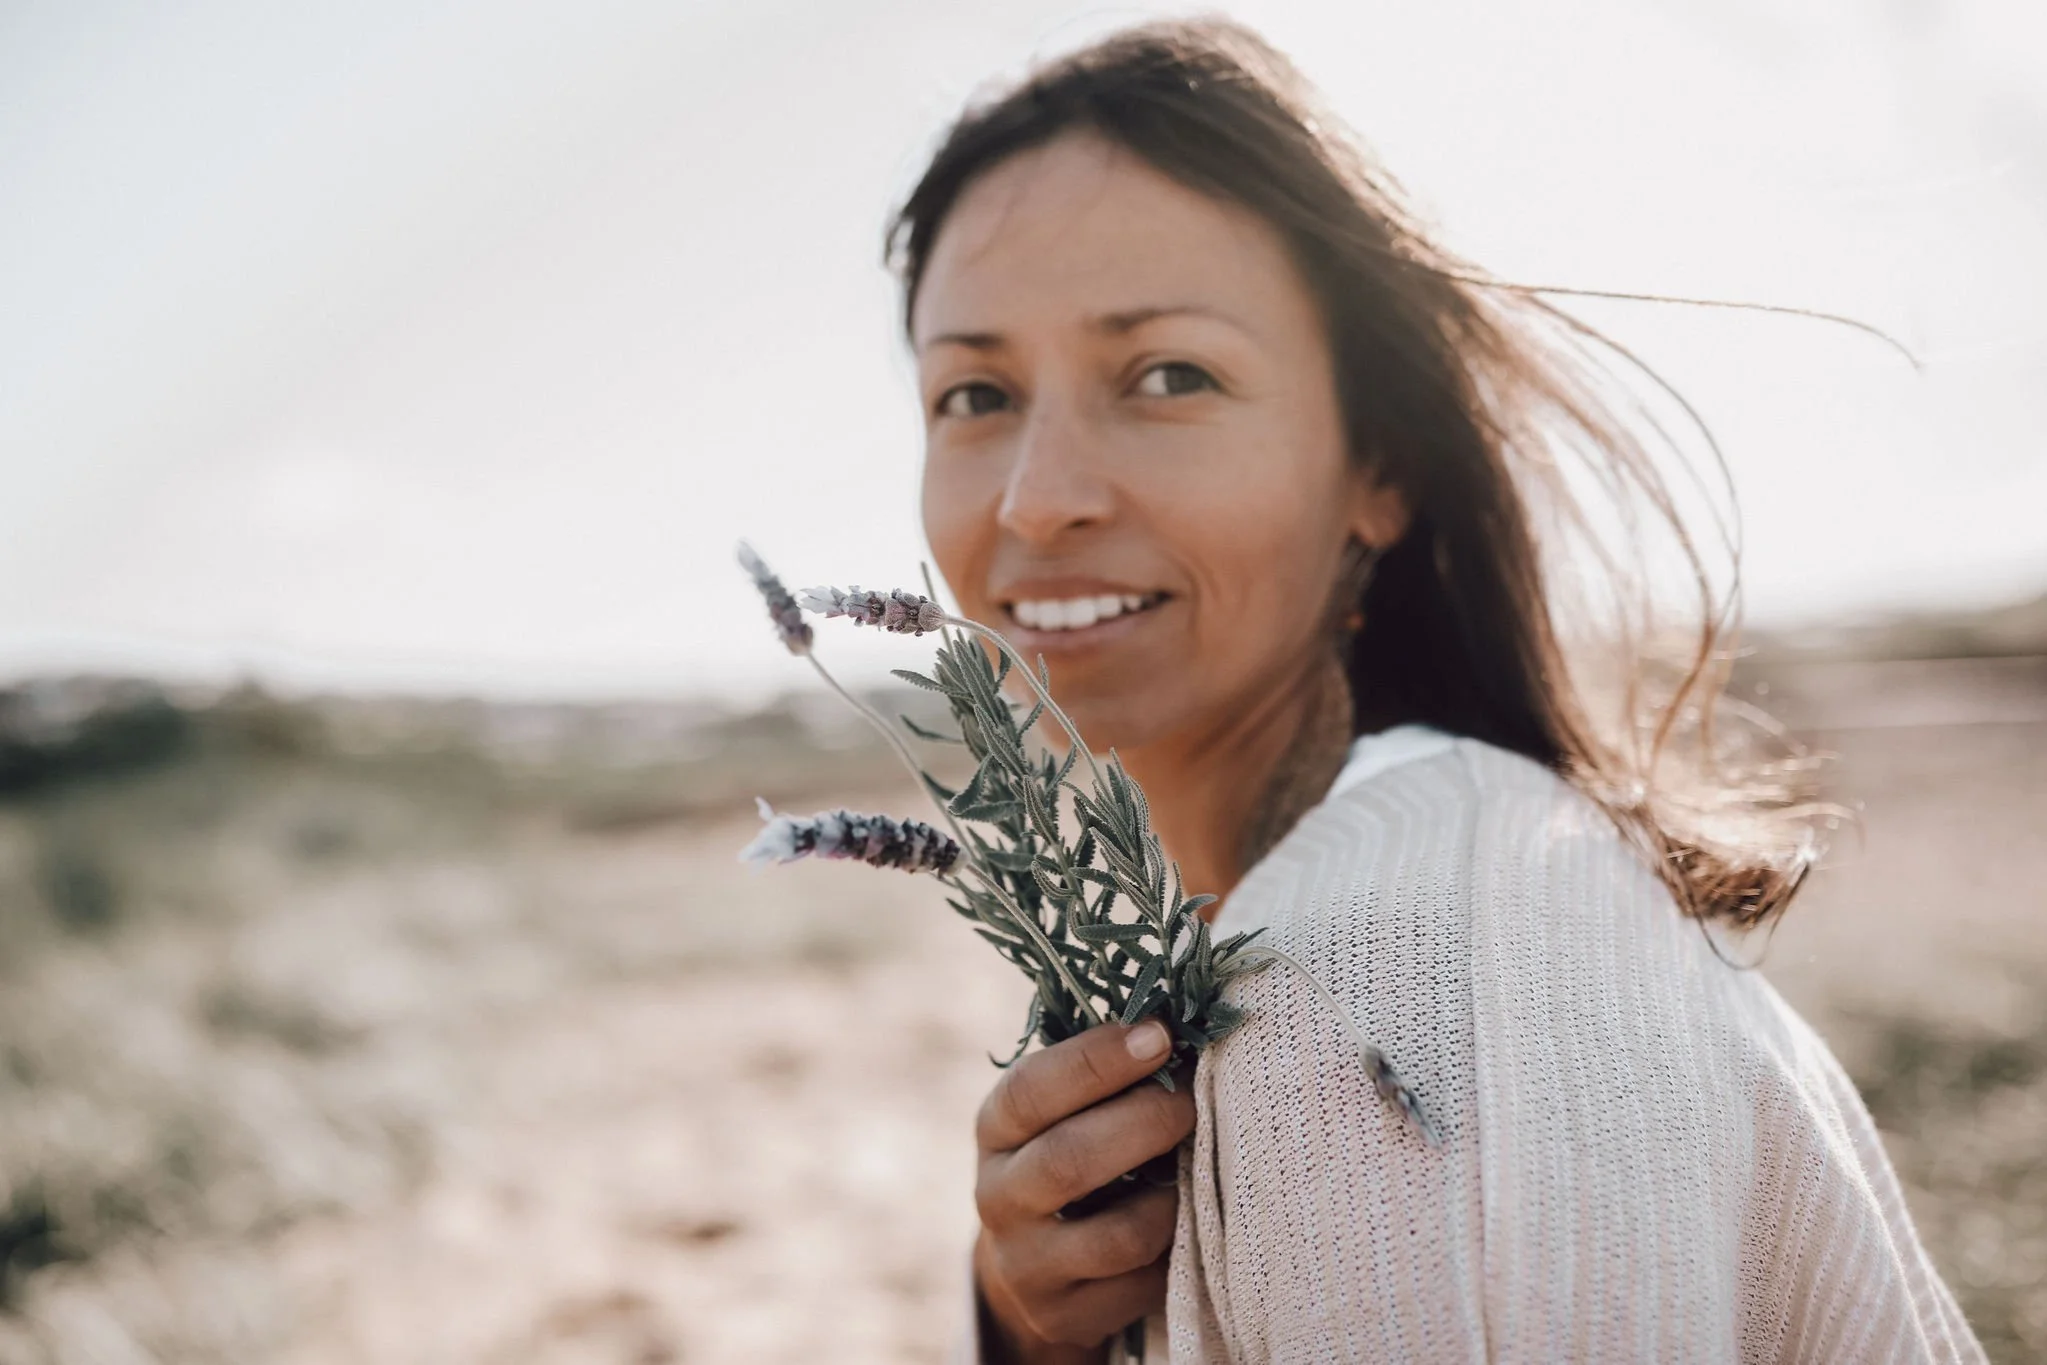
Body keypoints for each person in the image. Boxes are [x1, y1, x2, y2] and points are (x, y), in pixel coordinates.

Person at [888, 18, 1985, 1363]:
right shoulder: (1341, 905)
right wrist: (1031, 1327)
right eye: (974, 394)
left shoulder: (1397, 971)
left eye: (1170, 375)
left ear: (1379, 467)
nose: (1038, 498)